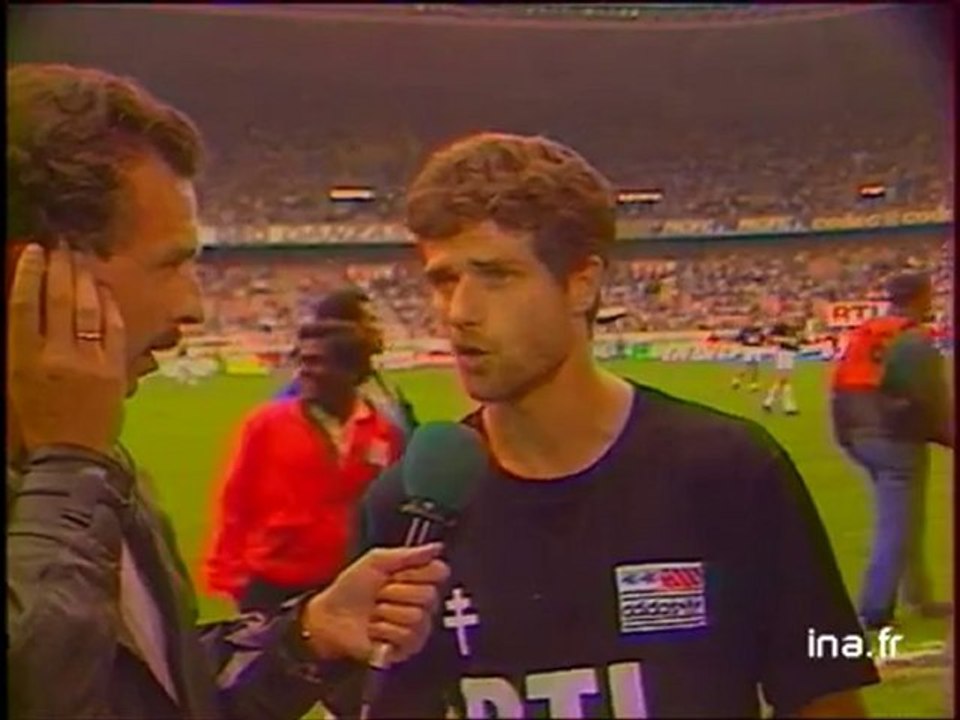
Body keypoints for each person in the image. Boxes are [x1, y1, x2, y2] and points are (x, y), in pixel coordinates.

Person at [347, 132, 879, 718]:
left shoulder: (729, 470)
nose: (459, 312)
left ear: (581, 284)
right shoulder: (407, 510)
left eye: (496, 275)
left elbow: (826, 691)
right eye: (444, 280)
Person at [6, 64, 448, 719]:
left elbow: (159, 697)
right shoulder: (77, 473)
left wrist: (304, 637)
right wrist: (68, 468)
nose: (193, 307)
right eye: (170, 264)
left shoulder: (102, 473)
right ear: (34, 274)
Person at [204, 319, 405, 612]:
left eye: (315, 362)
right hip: (273, 582)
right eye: (301, 361)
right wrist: (230, 575)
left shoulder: (384, 433)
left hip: (347, 580)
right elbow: (236, 499)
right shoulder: (267, 424)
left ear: (351, 371)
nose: (303, 371)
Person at [831, 272, 954, 630]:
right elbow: (930, 398)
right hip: (895, 436)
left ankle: (920, 598)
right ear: (921, 298)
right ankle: (875, 608)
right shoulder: (914, 340)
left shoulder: (866, 333)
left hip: (855, 432)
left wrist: (849, 437)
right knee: (897, 524)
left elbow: (840, 384)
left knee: (906, 517)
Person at [276, 287, 419, 438]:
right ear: (344, 329)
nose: (379, 328)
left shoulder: (386, 386)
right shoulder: (298, 397)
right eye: (370, 320)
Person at [762, 316, 801, 415]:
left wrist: (795, 344)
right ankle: (788, 407)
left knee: (783, 380)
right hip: (784, 353)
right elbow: (769, 338)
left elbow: (796, 342)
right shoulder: (780, 327)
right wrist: (786, 340)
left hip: (789, 354)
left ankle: (768, 402)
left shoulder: (792, 329)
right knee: (784, 380)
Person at [731, 317, 765, 392]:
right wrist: (739, 349)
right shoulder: (745, 331)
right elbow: (738, 339)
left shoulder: (759, 331)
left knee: (755, 368)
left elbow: (762, 340)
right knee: (747, 367)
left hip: (756, 349)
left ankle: (753, 385)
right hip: (748, 349)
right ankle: (736, 379)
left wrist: (761, 342)